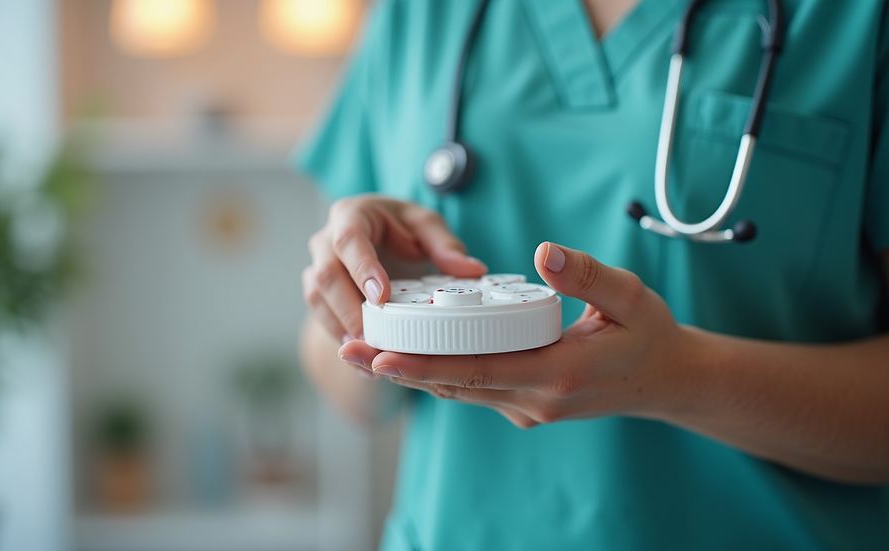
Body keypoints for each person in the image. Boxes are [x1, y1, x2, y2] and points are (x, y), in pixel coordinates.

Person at [296, 0, 889, 549]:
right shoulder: (421, 14)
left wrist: (681, 377)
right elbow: (343, 384)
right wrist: (381, 311)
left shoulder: (856, 19)